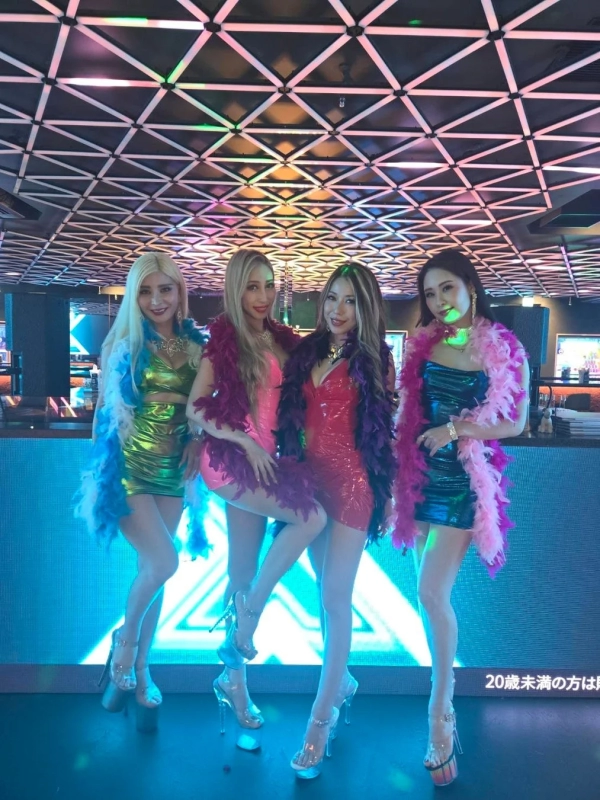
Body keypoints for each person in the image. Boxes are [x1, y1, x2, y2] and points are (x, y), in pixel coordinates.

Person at [392, 250, 529, 786]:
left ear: (471, 287)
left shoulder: (503, 347)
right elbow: (409, 414)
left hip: (463, 487)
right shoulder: (422, 345)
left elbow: (514, 423)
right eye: (430, 294)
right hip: (420, 482)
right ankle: (441, 708)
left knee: (431, 593)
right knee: (429, 595)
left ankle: (440, 715)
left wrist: (458, 431)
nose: (439, 302)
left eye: (447, 289)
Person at [186, 249, 326, 750]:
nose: (262, 296)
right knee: (311, 517)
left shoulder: (281, 339)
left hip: (268, 461)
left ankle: (233, 681)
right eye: (252, 286)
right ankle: (252, 615)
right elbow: (195, 407)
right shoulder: (224, 340)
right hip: (230, 460)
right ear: (235, 289)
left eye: (268, 285)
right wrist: (244, 441)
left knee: (239, 573)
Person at [76, 252, 207, 730]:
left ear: (179, 292)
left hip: (173, 469)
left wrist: (198, 440)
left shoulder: (198, 348)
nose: (156, 300)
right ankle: (124, 646)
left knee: (155, 570)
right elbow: (103, 417)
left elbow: (204, 411)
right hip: (130, 468)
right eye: (146, 291)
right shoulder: (124, 343)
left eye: (165, 289)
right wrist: (100, 472)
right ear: (135, 296)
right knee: (164, 562)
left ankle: (142, 669)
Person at [277, 263, 397, 778]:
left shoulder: (374, 359)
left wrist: (387, 494)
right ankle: (341, 681)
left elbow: (382, 432)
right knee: (325, 590)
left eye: (350, 301)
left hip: (351, 487)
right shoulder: (308, 351)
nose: (337, 310)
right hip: (310, 484)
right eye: (332, 299)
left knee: (335, 598)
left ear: (365, 308)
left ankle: (319, 722)